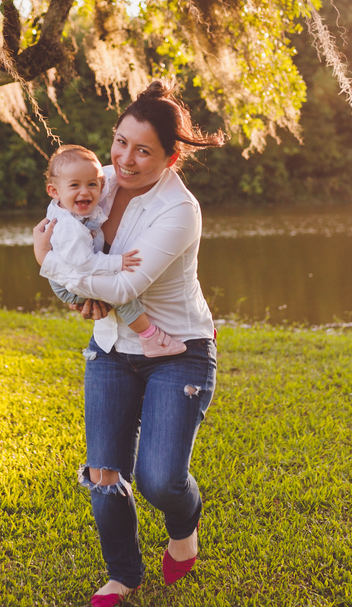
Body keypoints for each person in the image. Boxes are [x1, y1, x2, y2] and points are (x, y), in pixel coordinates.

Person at [33, 81, 225, 606]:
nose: (125, 159)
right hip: (111, 347)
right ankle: (123, 575)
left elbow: (122, 286)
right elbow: (55, 222)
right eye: (121, 141)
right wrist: (75, 289)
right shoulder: (99, 179)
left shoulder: (179, 210)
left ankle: (184, 527)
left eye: (143, 150)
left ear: (171, 157)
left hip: (178, 349)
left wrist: (48, 264)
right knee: (104, 473)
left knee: (160, 481)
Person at [41, 144, 186, 357]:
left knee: (112, 292)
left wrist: (44, 257)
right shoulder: (68, 226)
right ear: (54, 191)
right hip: (68, 278)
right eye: (74, 185)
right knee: (123, 299)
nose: (85, 191)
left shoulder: (72, 200)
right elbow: (84, 263)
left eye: (92, 184)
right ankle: (150, 337)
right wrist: (117, 262)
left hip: (71, 270)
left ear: (101, 184)